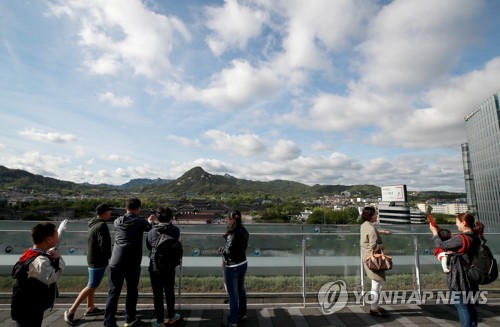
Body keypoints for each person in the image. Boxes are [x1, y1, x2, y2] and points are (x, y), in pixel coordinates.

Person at [104, 198, 155, 327]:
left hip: (116, 260)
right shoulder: (140, 221)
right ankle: (129, 318)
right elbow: (151, 229)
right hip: (132, 261)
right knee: (132, 290)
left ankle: (108, 321)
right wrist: (150, 221)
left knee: (113, 292)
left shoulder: (117, 221)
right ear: (138, 209)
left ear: (125, 208)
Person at [430, 213, 483, 327]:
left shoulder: (461, 238)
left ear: (464, 223)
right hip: (471, 275)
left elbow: (441, 244)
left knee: (462, 305)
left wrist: (435, 233)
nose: (456, 224)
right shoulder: (475, 237)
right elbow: (453, 242)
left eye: (457, 222)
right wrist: (440, 230)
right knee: (469, 304)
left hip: (459, 277)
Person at [64, 203, 113, 325]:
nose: (110, 213)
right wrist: (110, 257)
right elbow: (104, 245)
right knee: (91, 285)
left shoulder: (93, 224)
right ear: (105, 213)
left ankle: (90, 307)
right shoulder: (102, 225)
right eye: (109, 211)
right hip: (98, 260)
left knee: (92, 284)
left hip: (92, 258)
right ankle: (71, 311)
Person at [11, 222, 66, 327]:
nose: (58, 236)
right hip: (30, 307)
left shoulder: (30, 254)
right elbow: (51, 277)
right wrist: (59, 259)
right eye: (56, 234)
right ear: (48, 239)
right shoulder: (39, 260)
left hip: (25, 304)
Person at [146, 207, 182, 326]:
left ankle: (160, 321)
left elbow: (149, 246)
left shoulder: (152, 231)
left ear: (158, 217)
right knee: (169, 290)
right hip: (170, 266)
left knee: (158, 294)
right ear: (171, 217)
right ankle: (171, 316)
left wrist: (151, 223)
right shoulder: (175, 230)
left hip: (155, 265)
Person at [360, 206, 392, 318]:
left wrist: (382, 232)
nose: (376, 215)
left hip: (367, 258)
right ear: (370, 216)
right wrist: (382, 246)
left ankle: (375, 306)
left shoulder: (364, 225)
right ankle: (374, 308)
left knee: (377, 283)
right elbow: (374, 246)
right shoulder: (371, 228)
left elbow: (370, 233)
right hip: (374, 260)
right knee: (377, 284)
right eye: (375, 214)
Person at [222, 210, 249, 327]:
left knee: (233, 295)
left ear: (230, 219)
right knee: (241, 289)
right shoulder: (244, 230)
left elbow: (228, 252)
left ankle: (233, 321)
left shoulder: (232, 233)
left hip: (232, 266)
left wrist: (223, 253)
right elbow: (243, 246)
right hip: (243, 263)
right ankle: (242, 314)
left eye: (227, 218)